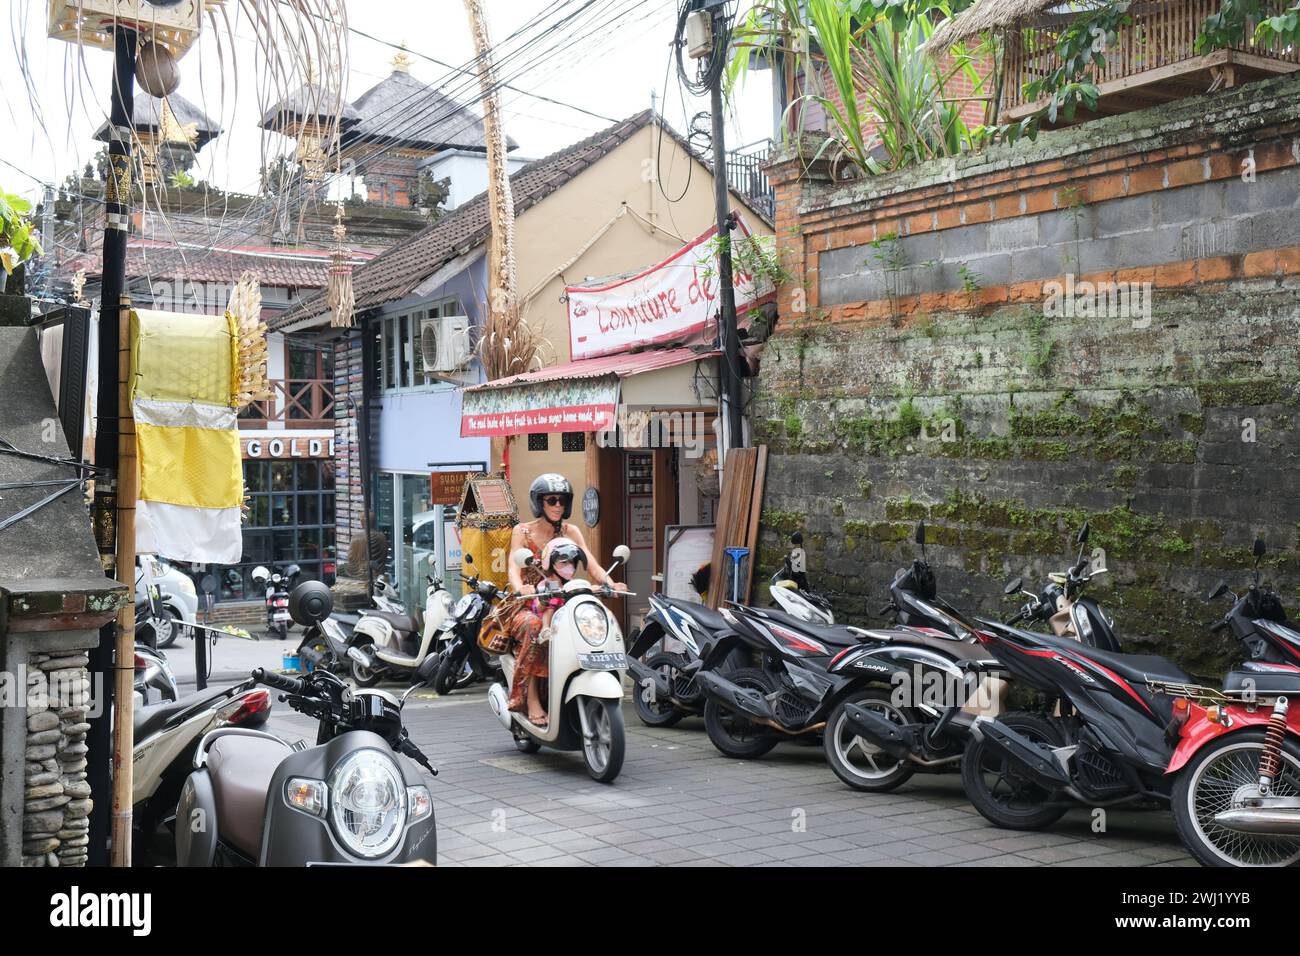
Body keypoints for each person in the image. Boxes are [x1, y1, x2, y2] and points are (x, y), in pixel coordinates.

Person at [505, 473, 626, 726]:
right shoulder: (522, 531)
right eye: (551, 500)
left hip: (562, 600)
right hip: (529, 603)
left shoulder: (571, 531)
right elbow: (513, 568)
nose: (558, 505)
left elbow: (592, 565)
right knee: (535, 628)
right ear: (539, 502)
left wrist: (610, 583)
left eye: (562, 500)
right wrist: (520, 588)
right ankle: (530, 698)